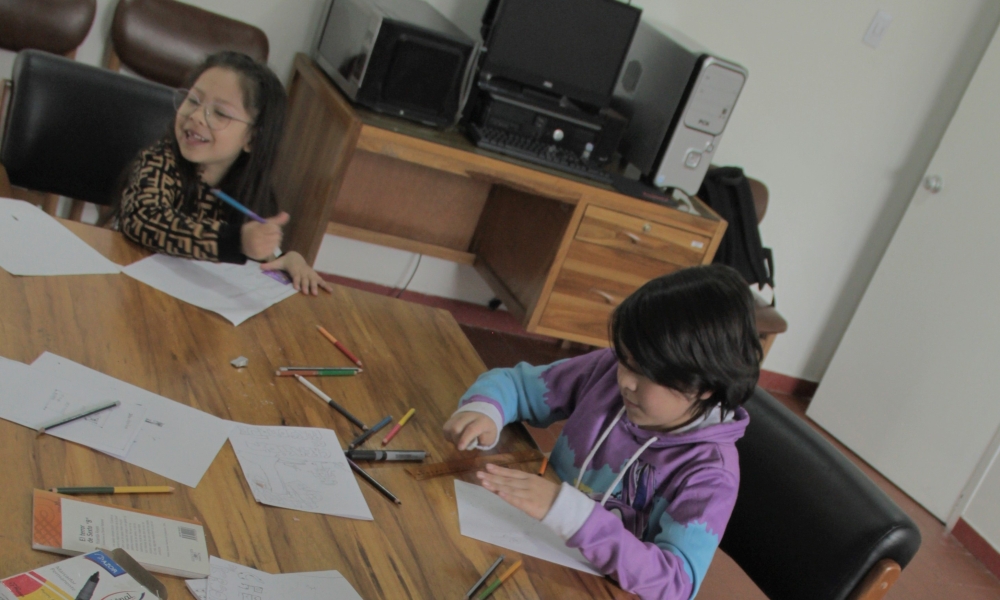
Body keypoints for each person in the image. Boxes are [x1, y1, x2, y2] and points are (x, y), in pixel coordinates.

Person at [443, 264, 762, 600]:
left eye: (644, 372)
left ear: (706, 386)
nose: (624, 380)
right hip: (531, 547)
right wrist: (485, 410)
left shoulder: (711, 474)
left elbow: (675, 585)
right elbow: (518, 386)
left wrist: (571, 514)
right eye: (625, 359)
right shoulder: (608, 372)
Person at [106, 51, 332, 295]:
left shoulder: (250, 187)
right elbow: (146, 220)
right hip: (129, 289)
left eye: (220, 113)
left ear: (252, 139)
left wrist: (287, 258)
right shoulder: (160, 160)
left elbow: (257, 253)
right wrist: (235, 241)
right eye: (193, 100)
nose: (195, 116)